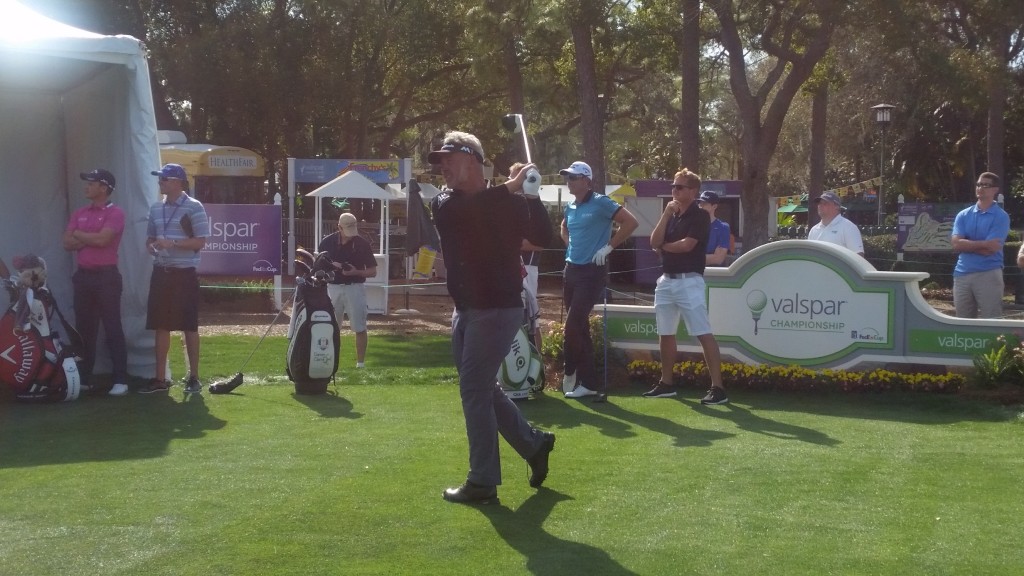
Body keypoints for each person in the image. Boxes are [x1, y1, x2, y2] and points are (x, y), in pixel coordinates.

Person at [428, 131, 555, 505]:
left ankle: (482, 481)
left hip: (498, 307)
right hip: (465, 309)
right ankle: (534, 445)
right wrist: (510, 188)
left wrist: (531, 193)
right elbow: (471, 213)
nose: (443, 166)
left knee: (473, 389)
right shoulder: (445, 202)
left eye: (449, 158)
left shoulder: (508, 201)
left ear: (473, 160)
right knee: (483, 388)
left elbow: (542, 236)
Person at [558, 161, 639, 401]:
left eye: (573, 178)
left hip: (591, 273)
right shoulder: (571, 206)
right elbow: (564, 227)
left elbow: (631, 222)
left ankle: (570, 369)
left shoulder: (601, 202)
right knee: (580, 329)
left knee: (573, 325)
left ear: (586, 180)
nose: (569, 181)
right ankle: (589, 383)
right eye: (567, 177)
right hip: (570, 270)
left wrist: (609, 247)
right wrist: (570, 246)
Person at [646, 168, 727, 405]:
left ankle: (718, 388)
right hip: (667, 280)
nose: (674, 190)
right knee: (665, 332)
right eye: (673, 186)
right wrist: (664, 216)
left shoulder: (700, 215)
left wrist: (664, 246)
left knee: (703, 332)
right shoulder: (672, 214)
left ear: (692, 191)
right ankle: (666, 383)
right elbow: (653, 241)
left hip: (689, 281)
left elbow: (687, 245)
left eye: (679, 187)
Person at [141, 163, 210, 394]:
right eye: (160, 179)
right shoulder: (155, 208)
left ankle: (193, 377)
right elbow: (149, 238)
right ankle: (160, 379)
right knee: (161, 325)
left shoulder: (193, 207)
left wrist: (173, 243)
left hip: (184, 273)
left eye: (165, 179)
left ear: (178, 183)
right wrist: (152, 247)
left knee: (189, 326)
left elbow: (200, 242)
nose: (160, 182)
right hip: (161, 271)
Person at [62, 169, 129, 396]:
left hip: (106, 277)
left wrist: (80, 235)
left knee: (112, 327)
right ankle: (84, 378)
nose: (86, 187)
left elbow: (103, 240)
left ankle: (120, 379)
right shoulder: (80, 212)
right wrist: (87, 236)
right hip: (83, 276)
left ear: (103, 187)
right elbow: (67, 243)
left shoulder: (116, 213)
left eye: (91, 183)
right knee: (84, 330)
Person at [317, 212, 377, 368]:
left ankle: (360, 364)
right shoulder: (326, 243)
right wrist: (333, 267)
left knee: (359, 326)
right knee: (330, 327)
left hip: (355, 288)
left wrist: (355, 272)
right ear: (339, 227)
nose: (350, 235)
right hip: (333, 288)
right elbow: (318, 269)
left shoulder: (362, 244)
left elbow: (372, 271)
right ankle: (330, 361)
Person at [951, 172, 1010, 318]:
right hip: (961, 275)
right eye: (978, 184)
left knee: (991, 320)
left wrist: (968, 244)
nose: (980, 188)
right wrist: (983, 244)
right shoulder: (963, 215)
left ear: (995, 190)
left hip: (988, 274)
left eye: (985, 185)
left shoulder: (1001, 216)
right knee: (963, 323)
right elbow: (956, 244)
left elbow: (991, 249)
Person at [512, 161, 553, 350]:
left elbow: (542, 242)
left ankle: (537, 362)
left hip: (528, 268)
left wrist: (523, 244)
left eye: (518, 177)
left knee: (532, 318)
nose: (513, 181)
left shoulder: (534, 206)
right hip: (509, 268)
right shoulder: (509, 203)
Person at [807, 191, 864, 256]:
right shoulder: (813, 230)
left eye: (825, 203)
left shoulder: (849, 227)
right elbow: (810, 255)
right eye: (819, 203)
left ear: (836, 206)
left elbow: (859, 257)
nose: (820, 206)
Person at [698, 190, 731, 266]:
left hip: (713, 274)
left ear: (714, 206)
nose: (701, 206)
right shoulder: (692, 225)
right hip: (692, 274)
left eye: (705, 203)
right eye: (700, 203)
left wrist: (689, 259)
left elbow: (718, 259)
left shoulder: (723, 227)